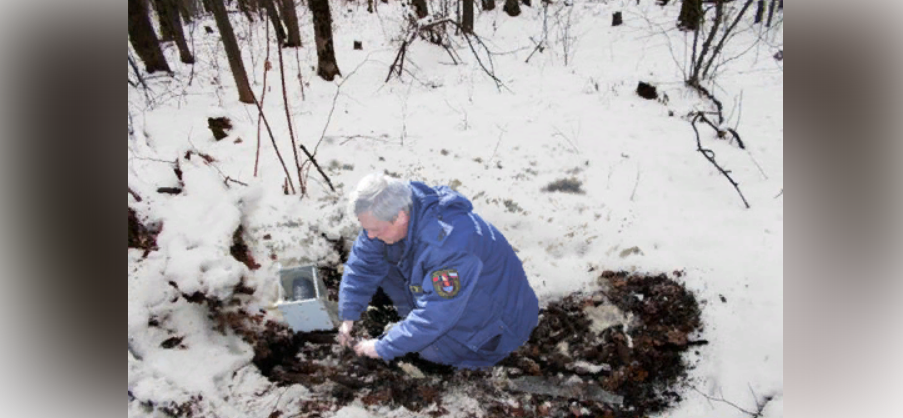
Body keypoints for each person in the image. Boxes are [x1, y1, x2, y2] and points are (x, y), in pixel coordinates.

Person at [336, 174, 540, 369]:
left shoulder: (451, 246)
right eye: (367, 228)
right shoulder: (396, 206)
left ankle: (446, 349)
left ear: (399, 217)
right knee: (382, 258)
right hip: (458, 292)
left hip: (501, 326)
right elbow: (361, 265)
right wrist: (348, 316)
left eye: (376, 229)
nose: (369, 236)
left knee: (428, 350)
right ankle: (408, 323)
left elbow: (435, 316)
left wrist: (383, 347)